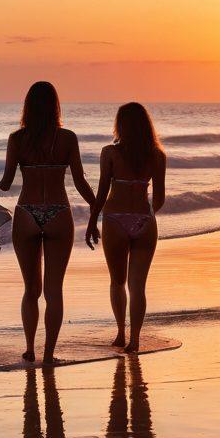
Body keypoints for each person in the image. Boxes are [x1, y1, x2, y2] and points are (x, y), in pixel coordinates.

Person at [0, 81, 95, 364]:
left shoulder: (17, 139)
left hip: (27, 212)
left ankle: (30, 349)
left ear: (27, 107)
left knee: (31, 290)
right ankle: (49, 354)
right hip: (58, 212)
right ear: (55, 106)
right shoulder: (67, 138)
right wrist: (96, 207)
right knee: (54, 291)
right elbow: (80, 181)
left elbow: (6, 184)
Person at [85, 103, 167, 352]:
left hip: (115, 220)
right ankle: (135, 339)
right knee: (137, 286)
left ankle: (121, 333)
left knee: (117, 282)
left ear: (120, 125)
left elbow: (101, 193)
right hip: (145, 221)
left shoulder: (110, 152)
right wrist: (146, 214)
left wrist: (92, 221)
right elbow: (159, 198)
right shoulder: (157, 155)